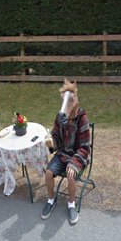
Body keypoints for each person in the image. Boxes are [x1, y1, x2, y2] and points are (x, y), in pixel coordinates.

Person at [42, 78, 91, 225]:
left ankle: (71, 204)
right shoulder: (60, 117)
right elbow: (56, 137)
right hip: (63, 154)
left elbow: (85, 147)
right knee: (49, 172)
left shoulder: (82, 120)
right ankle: (51, 200)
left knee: (71, 175)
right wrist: (51, 142)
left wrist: (74, 163)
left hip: (77, 156)